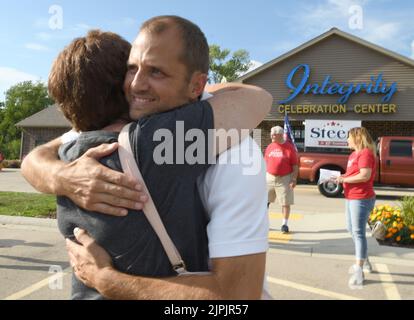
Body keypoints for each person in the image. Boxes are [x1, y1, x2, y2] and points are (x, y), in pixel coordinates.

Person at [22, 16, 271, 299]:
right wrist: (60, 177)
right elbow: (256, 97)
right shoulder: (152, 138)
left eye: (156, 72)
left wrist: (106, 279)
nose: (137, 85)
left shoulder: (73, 151)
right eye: (131, 69)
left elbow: (40, 154)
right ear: (119, 85)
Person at [335, 127, 376, 289]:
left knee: (358, 233)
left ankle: (359, 271)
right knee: (351, 229)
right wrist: (340, 177)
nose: (347, 140)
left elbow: (364, 175)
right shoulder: (353, 155)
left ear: (357, 138)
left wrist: (343, 180)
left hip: (362, 198)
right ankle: (364, 261)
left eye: (349, 137)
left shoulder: (365, 153)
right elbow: (353, 174)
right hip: (351, 197)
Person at [264, 126, 298, 234]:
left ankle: (284, 224)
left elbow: (295, 165)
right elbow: (265, 162)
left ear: (280, 135)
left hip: (284, 178)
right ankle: (263, 224)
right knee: (264, 202)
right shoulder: (270, 146)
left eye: (274, 134)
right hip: (269, 177)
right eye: (271, 134)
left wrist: (293, 179)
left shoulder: (289, 148)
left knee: (285, 203)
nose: (272, 136)